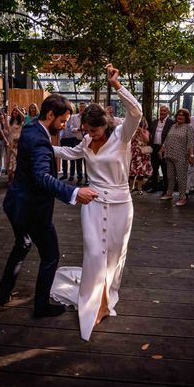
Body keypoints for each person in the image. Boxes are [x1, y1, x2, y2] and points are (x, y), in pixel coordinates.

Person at [50, 64, 142, 341]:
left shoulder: (121, 136)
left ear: (105, 124)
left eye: (94, 129)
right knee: (93, 252)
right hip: (92, 204)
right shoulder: (87, 141)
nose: (90, 133)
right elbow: (68, 151)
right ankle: (92, 301)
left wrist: (117, 84)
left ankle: (105, 298)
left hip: (121, 205)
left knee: (114, 256)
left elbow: (136, 112)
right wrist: (41, 145)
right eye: (86, 129)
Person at [0, 94, 99, 319]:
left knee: (22, 245)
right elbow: (43, 177)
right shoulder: (40, 141)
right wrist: (74, 192)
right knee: (51, 255)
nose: (62, 127)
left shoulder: (31, 127)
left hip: (15, 204)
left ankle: (2, 293)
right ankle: (41, 307)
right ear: (50, 115)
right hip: (33, 210)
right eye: (61, 121)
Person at [160, 108, 194, 206]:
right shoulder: (173, 126)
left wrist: (191, 155)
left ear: (186, 117)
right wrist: (162, 148)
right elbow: (167, 139)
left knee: (181, 178)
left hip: (181, 157)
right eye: (179, 115)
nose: (180, 117)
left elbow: (191, 143)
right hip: (169, 155)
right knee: (170, 177)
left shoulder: (189, 127)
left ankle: (182, 198)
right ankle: (169, 194)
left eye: (182, 115)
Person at [148, 105, 173, 196]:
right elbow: (150, 134)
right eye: (161, 110)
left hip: (165, 148)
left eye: (164, 111)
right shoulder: (154, 122)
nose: (162, 112)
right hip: (154, 148)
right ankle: (154, 187)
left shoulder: (171, 123)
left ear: (167, 112)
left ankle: (166, 190)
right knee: (154, 169)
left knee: (165, 169)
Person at [129, 117, 152, 194]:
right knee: (132, 172)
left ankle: (139, 188)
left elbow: (147, 140)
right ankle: (131, 187)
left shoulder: (146, 132)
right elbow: (130, 141)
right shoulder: (132, 131)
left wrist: (141, 132)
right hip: (133, 154)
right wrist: (135, 133)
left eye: (141, 124)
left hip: (142, 155)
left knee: (141, 172)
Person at [3, 105, 24, 185]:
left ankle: (18, 179)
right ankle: (10, 178)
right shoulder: (10, 121)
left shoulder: (21, 121)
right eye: (14, 111)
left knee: (17, 159)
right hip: (11, 141)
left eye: (16, 111)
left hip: (19, 141)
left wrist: (18, 109)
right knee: (9, 159)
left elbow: (23, 117)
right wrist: (5, 117)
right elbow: (7, 128)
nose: (15, 112)